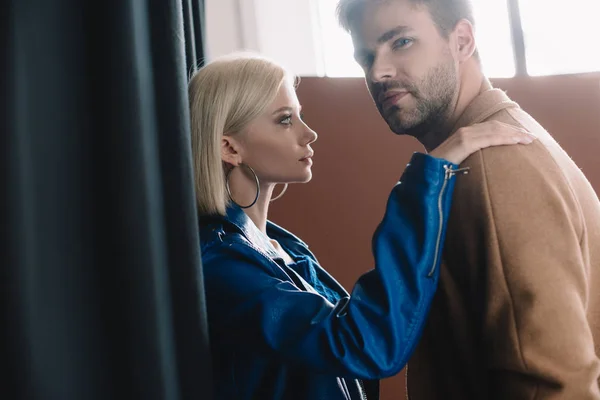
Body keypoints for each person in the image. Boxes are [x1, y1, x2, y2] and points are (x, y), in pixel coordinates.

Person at [188, 53, 533, 400]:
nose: (309, 133)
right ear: (229, 147)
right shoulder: (220, 264)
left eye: (300, 116)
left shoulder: (283, 248)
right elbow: (364, 344)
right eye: (284, 120)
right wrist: (430, 176)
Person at [336, 0, 600, 398]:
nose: (378, 72)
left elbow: (552, 383)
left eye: (402, 42)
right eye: (366, 57)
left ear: (462, 41)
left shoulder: (493, 165)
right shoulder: (487, 145)